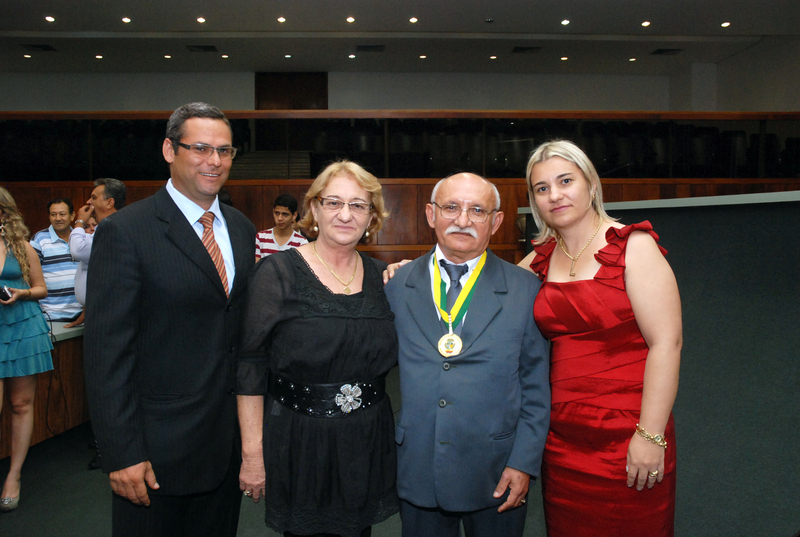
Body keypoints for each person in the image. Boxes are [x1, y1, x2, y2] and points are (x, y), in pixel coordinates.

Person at [84, 102, 256, 536]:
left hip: (224, 448)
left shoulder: (240, 228)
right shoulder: (126, 231)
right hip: (155, 455)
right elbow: (106, 355)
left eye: (224, 150)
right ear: (169, 150)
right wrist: (121, 453)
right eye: (200, 148)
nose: (214, 161)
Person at [518, 140, 682, 536]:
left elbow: (667, 344)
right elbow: (480, 289)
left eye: (565, 181)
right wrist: (414, 270)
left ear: (591, 184)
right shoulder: (539, 259)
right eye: (542, 188)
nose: (554, 195)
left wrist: (650, 435)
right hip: (562, 441)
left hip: (630, 433)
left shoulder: (633, 247)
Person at [383, 173, 550, 537]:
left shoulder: (526, 289)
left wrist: (523, 462)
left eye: (477, 210)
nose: (463, 220)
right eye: (451, 207)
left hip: (497, 469)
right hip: (419, 467)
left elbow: (536, 388)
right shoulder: (397, 285)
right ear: (431, 214)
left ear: (496, 221)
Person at [238, 161, 398, 537]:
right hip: (300, 440)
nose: (345, 214)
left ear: (371, 216)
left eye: (358, 205)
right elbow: (249, 364)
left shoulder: (384, 277)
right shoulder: (276, 274)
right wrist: (252, 453)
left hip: (366, 439)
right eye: (333, 202)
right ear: (314, 208)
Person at [0, 187, 54, 512]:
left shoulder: (22, 246)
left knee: (20, 404)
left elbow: (41, 288)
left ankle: (14, 476)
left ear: (3, 212)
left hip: (22, 326)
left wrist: (21, 293)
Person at [69, 178, 126, 311]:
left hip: (108, 308)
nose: (89, 202)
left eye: (94, 197)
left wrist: (79, 221)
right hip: (96, 307)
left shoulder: (112, 228)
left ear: (109, 202)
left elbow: (78, 250)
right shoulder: (106, 227)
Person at [29, 198, 82, 322]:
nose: (58, 218)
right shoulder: (39, 239)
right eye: (53, 214)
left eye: (62, 214)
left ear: (72, 215)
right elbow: (28, 275)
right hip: (51, 315)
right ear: (49, 217)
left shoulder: (81, 238)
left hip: (83, 314)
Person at [255, 193, 308, 260]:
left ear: (294, 215)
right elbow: (257, 265)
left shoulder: (301, 243)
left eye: (285, 214)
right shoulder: (261, 238)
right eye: (277, 213)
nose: (280, 218)